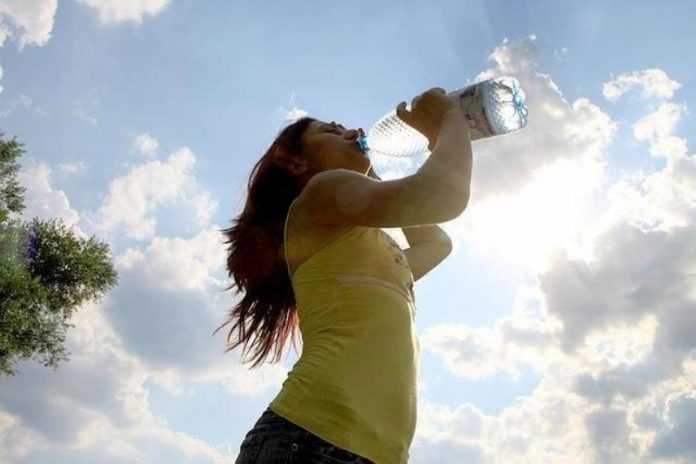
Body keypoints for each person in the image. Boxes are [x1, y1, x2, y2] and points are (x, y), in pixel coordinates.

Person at [216, 88, 475, 463]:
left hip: (367, 453)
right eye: (331, 132)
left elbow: (437, 243)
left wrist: (380, 164)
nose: (351, 131)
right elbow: (442, 195)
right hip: (310, 440)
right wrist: (451, 119)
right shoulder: (320, 194)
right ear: (295, 163)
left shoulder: (371, 252)